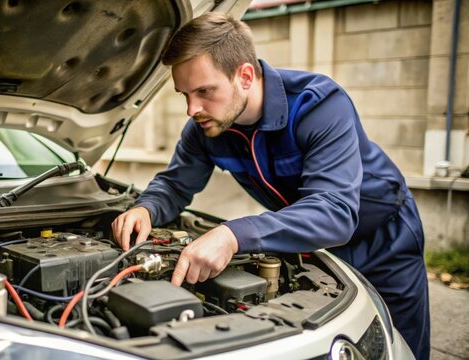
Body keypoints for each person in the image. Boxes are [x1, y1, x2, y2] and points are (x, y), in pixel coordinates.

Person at [111, 12, 430, 359]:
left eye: (204, 91)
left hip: (383, 241)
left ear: (245, 75)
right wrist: (145, 207)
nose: (192, 109)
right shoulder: (207, 128)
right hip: (309, 243)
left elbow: (335, 213)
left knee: (398, 347)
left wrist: (232, 235)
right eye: (184, 94)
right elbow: (174, 184)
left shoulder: (317, 104)